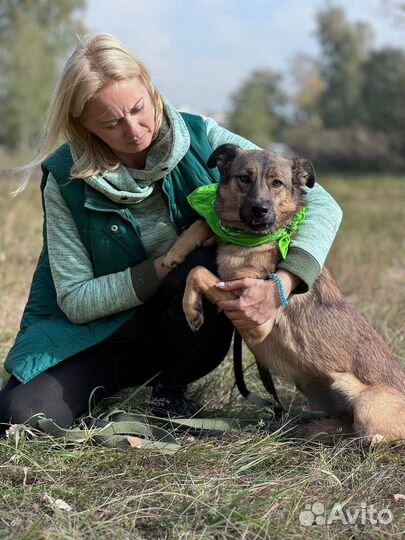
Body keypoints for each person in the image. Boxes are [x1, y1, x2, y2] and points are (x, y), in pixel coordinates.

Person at [0, 33, 342, 432]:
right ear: (84, 126)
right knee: (20, 417)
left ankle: (170, 385)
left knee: (201, 260)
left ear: (149, 86)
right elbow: (76, 301)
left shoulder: (201, 136)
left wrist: (282, 284)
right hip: (92, 338)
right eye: (112, 122)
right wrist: (164, 264)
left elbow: (321, 203)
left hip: (185, 333)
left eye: (138, 108)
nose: (133, 129)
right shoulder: (65, 178)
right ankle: (107, 386)